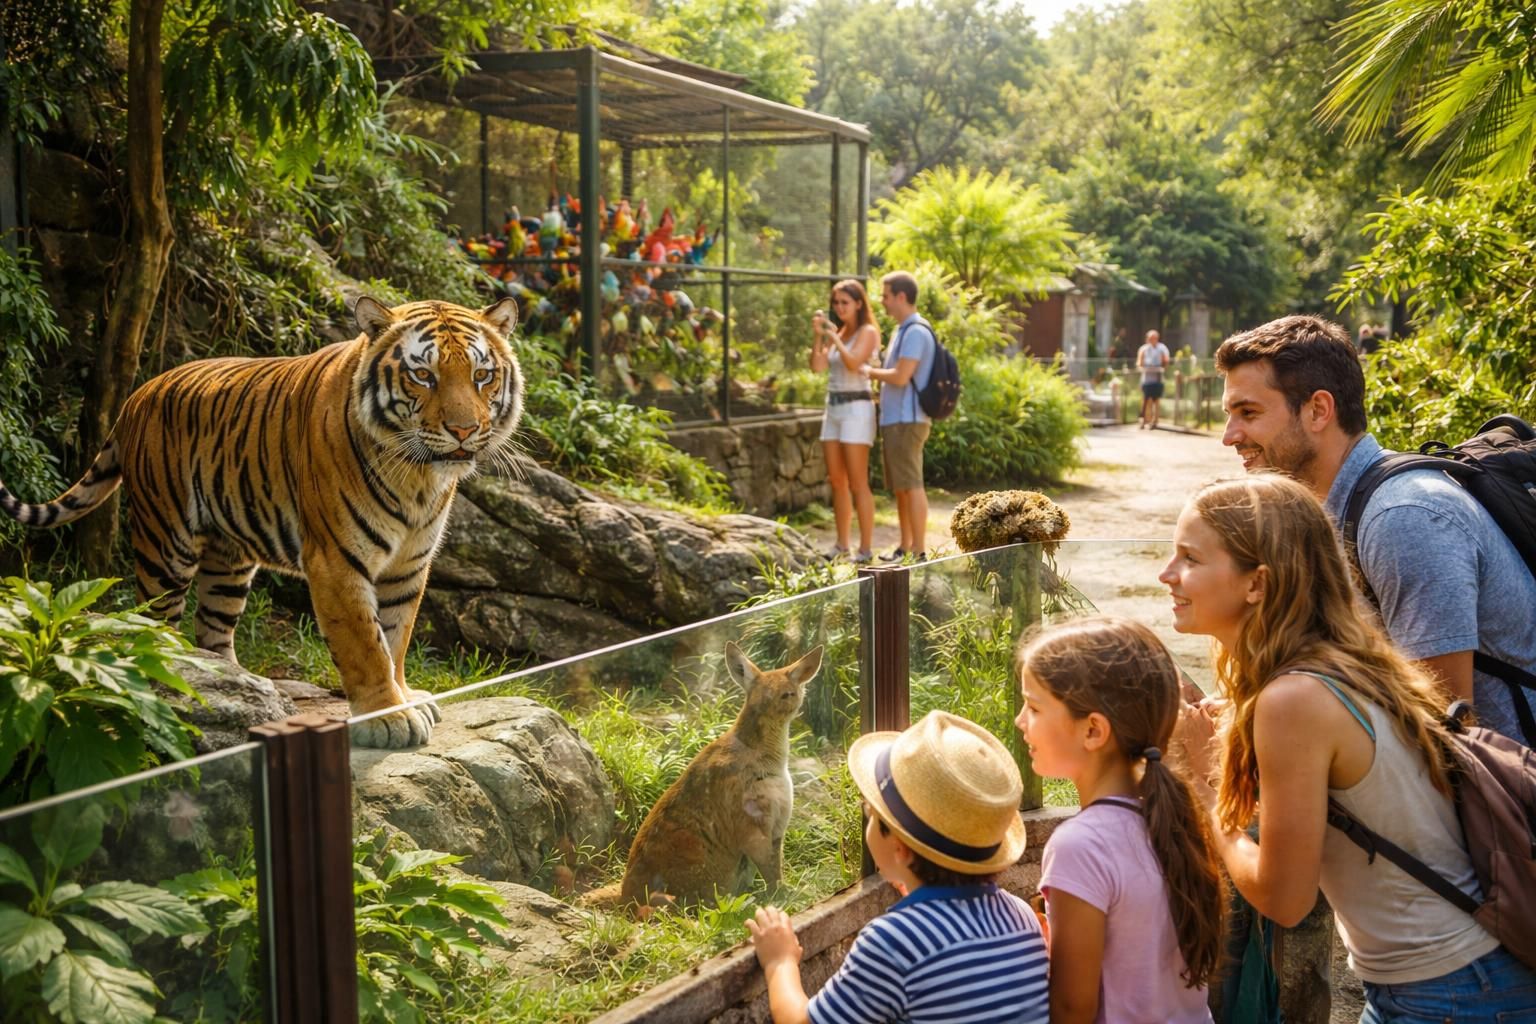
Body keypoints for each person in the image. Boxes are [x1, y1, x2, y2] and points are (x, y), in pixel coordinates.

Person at [1162, 474, 1536, 1022]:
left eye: (1189, 558)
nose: (1167, 574)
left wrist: (1198, 782)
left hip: (1449, 993)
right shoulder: (1338, 666)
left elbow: (1283, 898)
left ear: (1257, 584)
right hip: (1460, 979)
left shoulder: (1293, 699)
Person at [1215, 315, 1536, 744]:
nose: (1229, 436)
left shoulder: (1403, 517)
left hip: (1507, 797)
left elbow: (1445, 727)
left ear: (1318, 410)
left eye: (1248, 413)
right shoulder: (1341, 511)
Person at [745, 710, 1049, 1024]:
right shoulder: (1021, 918)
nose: (868, 819)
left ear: (900, 849)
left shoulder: (896, 941)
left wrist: (779, 962)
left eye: (872, 814)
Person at [1016, 616, 1224, 1024]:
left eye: (1034, 707)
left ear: (1093, 730)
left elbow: (1073, 1009)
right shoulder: (1175, 815)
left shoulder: (1079, 846)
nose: (1021, 721)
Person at [861, 271, 935, 562]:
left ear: (901, 297)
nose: (882, 302)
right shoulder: (902, 330)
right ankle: (905, 546)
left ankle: (918, 551)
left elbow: (902, 376)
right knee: (902, 486)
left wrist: (868, 372)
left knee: (912, 484)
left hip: (908, 419)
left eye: (886, 296)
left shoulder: (915, 331)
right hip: (896, 419)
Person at [810, 280, 881, 563]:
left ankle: (865, 549)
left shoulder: (868, 331)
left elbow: (854, 363)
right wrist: (820, 336)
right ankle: (842, 544)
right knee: (837, 480)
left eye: (845, 303)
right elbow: (817, 367)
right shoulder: (838, 330)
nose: (839, 308)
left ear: (859, 304)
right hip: (834, 407)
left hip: (857, 409)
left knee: (857, 482)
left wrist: (834, 338)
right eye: (836, 303)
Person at [1136, 330, 1171, 429]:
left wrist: (1163, 363)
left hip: (1158, 378)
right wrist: (1143, 366)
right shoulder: (1143, 349)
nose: (1152, 340)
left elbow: (1166, 361)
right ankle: (1145, 419)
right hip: (1146, 379)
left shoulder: (1162, 348)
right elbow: (1139, 362)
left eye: (1154, 338)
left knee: (1156, 400)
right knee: (1146, 400)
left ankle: (1154, 421)